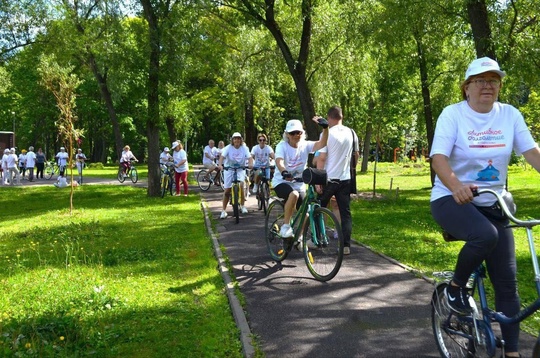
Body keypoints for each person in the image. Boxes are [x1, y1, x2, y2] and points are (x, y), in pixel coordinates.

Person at [430, 57, 540, 358]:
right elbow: (438, 158)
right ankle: (455, 287)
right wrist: (456, 186)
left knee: (508, 284)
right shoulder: (453, 115)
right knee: (485, 235)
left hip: (494, 202)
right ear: (467, 87)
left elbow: (532, 152)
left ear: (500, 86)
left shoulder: (510, 115)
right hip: (450, 198)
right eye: (480, 80)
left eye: (493, 80)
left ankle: (513, 352)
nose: (487, 85)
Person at [272, 118, 329, 238]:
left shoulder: (305, 145)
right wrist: (284, 172)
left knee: (306, 214)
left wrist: (325, 128)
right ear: (287, 134)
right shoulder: (281, 146)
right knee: (294, 194)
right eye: (292, 133)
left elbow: (322, 143)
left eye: (298, 132)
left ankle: (299, 237)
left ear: (302, 133)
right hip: (281, 182)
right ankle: (286, 227)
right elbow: (279, 161)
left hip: (299, 183)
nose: (295, 135)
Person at [315, 106, 359, 255]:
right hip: (345, 179)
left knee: (317, 207)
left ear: (329, 118)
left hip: (329, 178)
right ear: (342, 117)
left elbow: (321, 158)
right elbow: (356, 155)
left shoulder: (326, 134)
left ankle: (318, 238)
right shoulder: (351, 132)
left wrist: (318, 181)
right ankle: (345, 245)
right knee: (345, 213)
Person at [218, 132, 253, 219]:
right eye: (235, 138)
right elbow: (222, 157)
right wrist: (220, 165)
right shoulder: (228, 148)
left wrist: (250, 164)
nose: (237, 140)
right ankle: (223, 210)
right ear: (232, 140)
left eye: (238, 138)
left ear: (241, 140)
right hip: (229, 169)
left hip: (241, 169)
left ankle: (242, 205)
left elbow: (249, 157)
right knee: (227, 190)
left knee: (241, 185)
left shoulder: (244, 148)